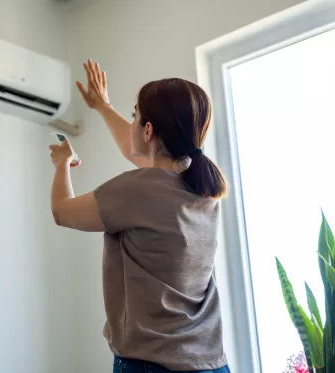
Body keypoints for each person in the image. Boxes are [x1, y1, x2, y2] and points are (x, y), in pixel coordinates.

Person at [49, 59, 229, 373]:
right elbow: (138, 153)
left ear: (148, 130)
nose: (132, 123)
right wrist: (103, 107)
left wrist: (63, 163)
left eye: (135, 116)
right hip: (210, 363)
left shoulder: (136, 191)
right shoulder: (202, 189)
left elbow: (62, 212)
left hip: (153, 365)